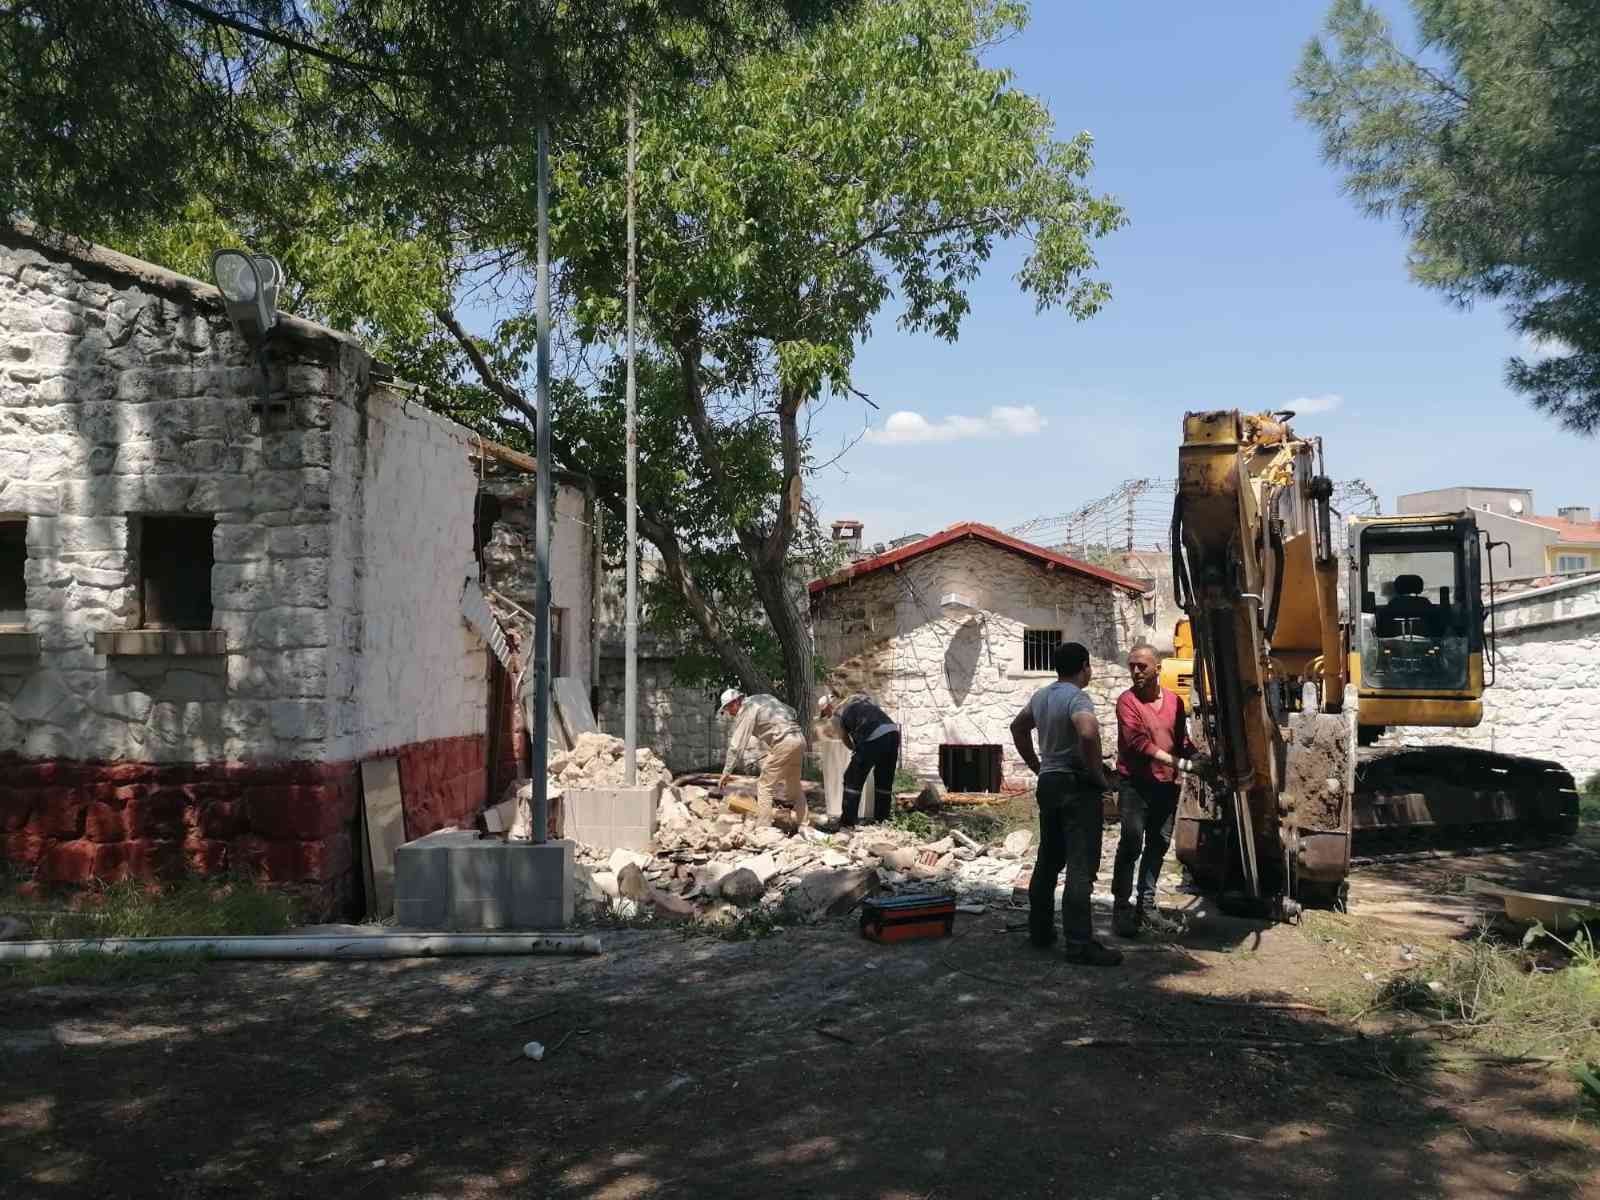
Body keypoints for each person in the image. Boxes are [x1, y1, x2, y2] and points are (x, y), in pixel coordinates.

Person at [1009, 641, 1122, 967]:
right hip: (1075, 786)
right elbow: (1087, 732)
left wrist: (1037, 765)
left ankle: (1041, 931)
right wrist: (1097, 774)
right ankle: (1079, 944)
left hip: (1049, 784)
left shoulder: (1042, 696)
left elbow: (1018, 728)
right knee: (1079, 863)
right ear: (1085, 666)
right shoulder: (1077, 697)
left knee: (1048, 859)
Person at [1112, 642, 1208, 937]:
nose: (1136, 671)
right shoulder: (1127, 702)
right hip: (1135, 786)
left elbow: (1181, 742)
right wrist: (1184, 765)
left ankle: (1147, 906)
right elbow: (1138, 744)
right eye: (1132, 666)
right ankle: (1121, 909)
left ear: (1158, 668)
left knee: (1158, 845)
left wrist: (1197, 757)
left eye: (1142, 666)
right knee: (1131, 844)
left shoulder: (1174, 703)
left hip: (1166, 787)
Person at [718, 688, 808, 829]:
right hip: (799, 738)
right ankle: (803, 824)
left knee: (764, 786)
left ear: (735, 702)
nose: (729, 712)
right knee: (795, 786)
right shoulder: (763, 697)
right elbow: (791, 711)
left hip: (784, 742)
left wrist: (726, 772)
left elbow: (737, 745)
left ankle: (763, 829)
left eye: (728, 708)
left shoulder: (746, 709)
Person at [819, 692, 900, 827]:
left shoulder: (836, 716)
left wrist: (855, 749)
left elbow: (845, 739)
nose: (827, 715)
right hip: (892, 732)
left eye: (825, 712)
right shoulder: (857, 701)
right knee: (884, 778)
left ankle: (848, 821)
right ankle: (882, 819)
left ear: (828, 708)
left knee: (852, 778)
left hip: (873, 736)